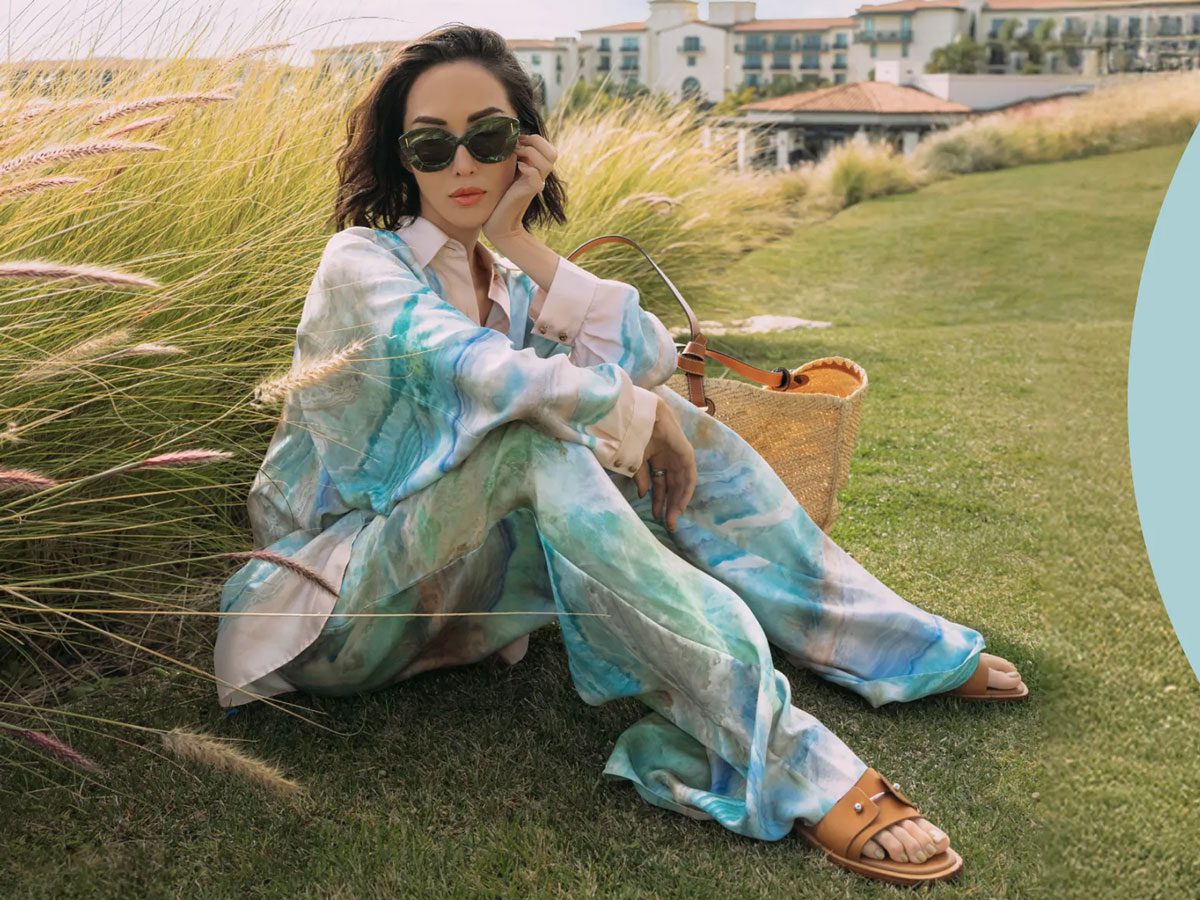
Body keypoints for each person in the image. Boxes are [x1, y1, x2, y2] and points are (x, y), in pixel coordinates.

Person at [214, 23, 1028, 886]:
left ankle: (870, 637)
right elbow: (476, 369)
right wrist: (634, 410)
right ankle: (794, 762)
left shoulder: (509, 281)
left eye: (486, 139)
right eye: (430, 144)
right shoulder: (361, 263)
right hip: (336, 613)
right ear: (400, 157)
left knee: (678, 421)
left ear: (522, 149)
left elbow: (645, 353)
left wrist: (519, 240)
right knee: (543, 448)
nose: (461, 164)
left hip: (464, 608)